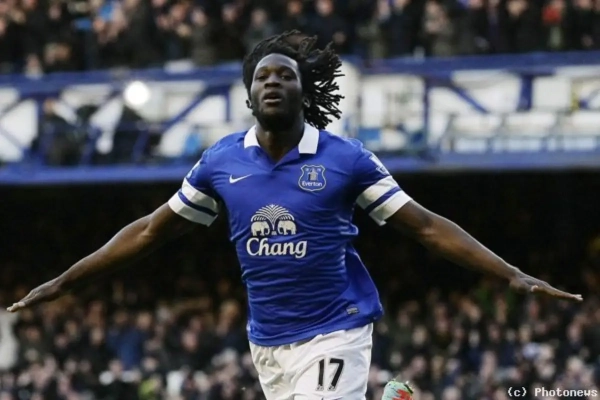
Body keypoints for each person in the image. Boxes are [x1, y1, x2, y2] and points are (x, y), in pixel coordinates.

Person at [7, 31, 582, 400]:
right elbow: (150, 231)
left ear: (304, 92)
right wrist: (65, 281)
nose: (273, 82)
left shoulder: (345, 159)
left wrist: (511, 274)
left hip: (336, 328)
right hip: (267, 343)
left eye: (286, 75)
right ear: (249, 96)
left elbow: (426, 227)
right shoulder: (222, 163)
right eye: (263, 76)